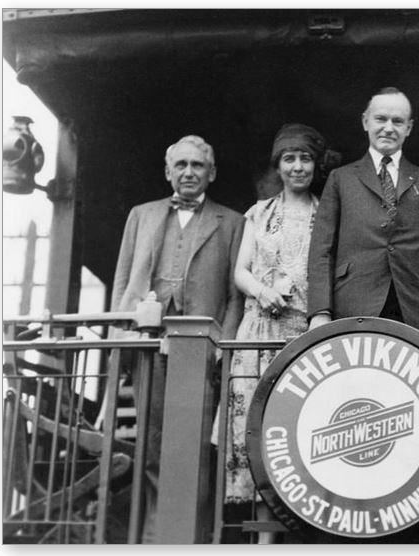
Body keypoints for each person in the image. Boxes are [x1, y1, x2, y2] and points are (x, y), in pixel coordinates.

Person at [110, 134, 244, 542]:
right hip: (148, 345)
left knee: (195, 447)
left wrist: (226, 346)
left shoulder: (233, 221)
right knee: (151, 445)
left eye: (197, 166)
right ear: (168, 171)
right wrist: (120, 332)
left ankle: (192, 539)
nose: (189, 173)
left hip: (201, 350)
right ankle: (157, 538)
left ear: (212, 173)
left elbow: (235, 297)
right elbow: (123, 278)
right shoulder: (141, 215)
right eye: (181, 165)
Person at [216, 123, 336, 543]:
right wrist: (262, 290)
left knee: (304, 430)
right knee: (262, 429)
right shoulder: (259, 212)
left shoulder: (327, 211)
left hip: (306, 335)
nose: (297, 167)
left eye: (304, 159)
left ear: (314, 165)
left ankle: (308, 533)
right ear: (279, 165)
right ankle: (266, 539)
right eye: (289, 159)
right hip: (260, 331)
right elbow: (239, 271)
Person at [307, 87, 419, 338]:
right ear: (366, 122)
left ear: (408, 128)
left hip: (413, 307)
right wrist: (320, 312)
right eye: (381, 119)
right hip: (352, 306)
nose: (388, 128)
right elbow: (321, 251)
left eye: (397, 121)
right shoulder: (340, 179)